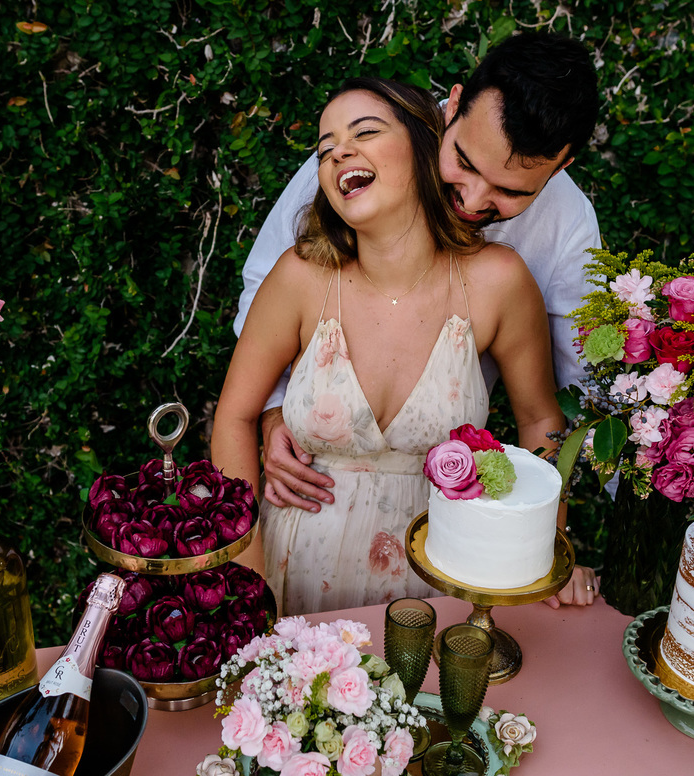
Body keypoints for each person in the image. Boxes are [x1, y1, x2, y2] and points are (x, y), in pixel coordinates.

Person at [233, 32, 602, 606]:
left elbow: (568, 398)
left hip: (434, 535)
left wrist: (543, 547)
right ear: (450, 108)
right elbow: (265, 290)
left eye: (509, 191)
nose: (475, 199)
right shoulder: (364, 150)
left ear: (560, 165)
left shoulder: (562, 231)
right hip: (302, 528)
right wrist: (281, 408)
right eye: (464, 162)